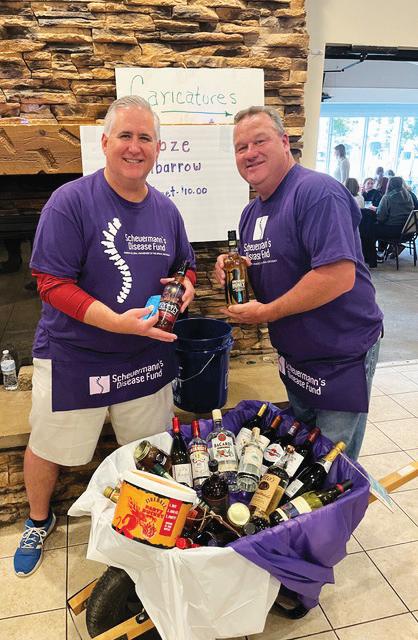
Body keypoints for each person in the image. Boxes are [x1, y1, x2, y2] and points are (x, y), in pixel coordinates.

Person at [13, 95, 196, 577]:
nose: (135, 147)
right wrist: (114, 321)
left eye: (145, 138)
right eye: (125, 136)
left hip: (144, 359)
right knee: (49, 446)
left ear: (158, 148)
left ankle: (139, 526)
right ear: (105, 142)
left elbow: (185, 267)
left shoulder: (167, 210)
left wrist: (186, 290)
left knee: (147, 452)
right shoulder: (70, 201)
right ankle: (38, 520)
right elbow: (51, 283)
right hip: (75, 356)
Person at [215, 106, 382, 463]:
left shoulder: (317, 192)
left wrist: (267, 312)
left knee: (331, 464)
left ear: (284, 141)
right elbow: (273, 274)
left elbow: (337, 275)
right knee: (300, 457)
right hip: (296, 358)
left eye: (259, 141)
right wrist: (233, 271)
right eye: (241, 147)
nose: (249, 153)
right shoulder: (251, 213)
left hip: (340, 354)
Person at [375, 176, 417, 256]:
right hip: (408, 232)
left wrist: (377, 210)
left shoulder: (387, 197)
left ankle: (378, 253)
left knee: (371, 228)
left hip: (393, 232)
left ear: (389, 185)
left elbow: (381, 218)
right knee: (383, 226)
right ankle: (391, 248)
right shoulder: (409, 196)